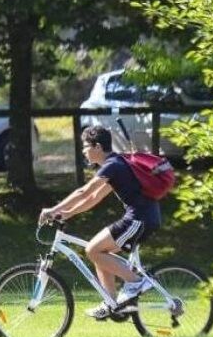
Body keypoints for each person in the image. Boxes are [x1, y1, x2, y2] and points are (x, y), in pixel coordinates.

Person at [38, 125, 163, 320]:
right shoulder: (115, 165)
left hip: (140, 218)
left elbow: (84, 192)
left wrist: (53, 210)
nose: (83, 151)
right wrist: (67, 213)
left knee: (93, 250)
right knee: (99, 252)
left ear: (97, 147)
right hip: (142, 217)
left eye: (85, 146)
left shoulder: (113, 165)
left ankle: (136, 282)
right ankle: (112, 303)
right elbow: (93, 198)